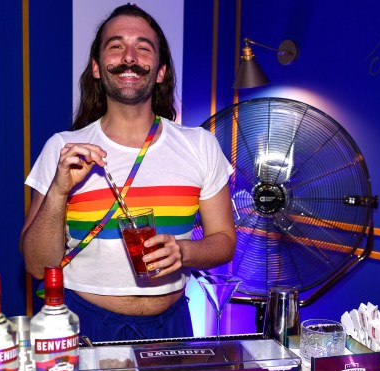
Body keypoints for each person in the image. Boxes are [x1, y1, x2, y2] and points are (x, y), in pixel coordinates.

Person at [21, 4, 236, 343]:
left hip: (173, 327)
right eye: (116, 45)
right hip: (86, 326)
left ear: (160, 72)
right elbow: (36, 265)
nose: (129, 57)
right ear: (97, 67)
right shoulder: (63, 148)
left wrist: (184, 252)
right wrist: (59, 191)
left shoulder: (200, 145)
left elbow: (224, 241)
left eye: (143, 47)